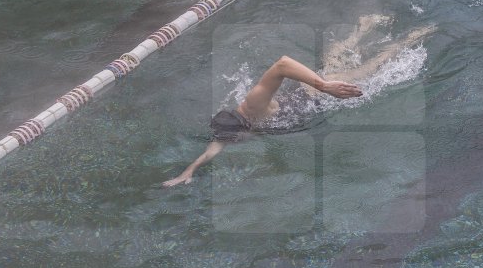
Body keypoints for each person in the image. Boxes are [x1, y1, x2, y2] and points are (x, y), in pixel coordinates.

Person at [162, 15, 436, 187]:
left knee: (370, 69)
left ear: (243, 127)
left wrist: (324, 87)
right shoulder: (230, 127)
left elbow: (282, 64)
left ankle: (412, 37)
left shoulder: (253, 106)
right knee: (332, 62)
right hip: (307, 99)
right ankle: (362, 27)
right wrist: (188, 172)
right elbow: (213, 149)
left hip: (312, 95)